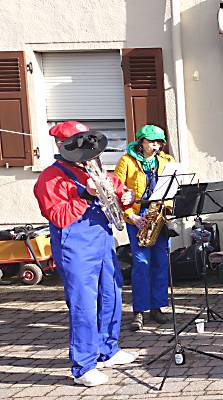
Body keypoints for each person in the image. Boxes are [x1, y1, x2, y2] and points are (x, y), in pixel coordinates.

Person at [34, 121, 137, 386]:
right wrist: (85, 194)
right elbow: (57, 215)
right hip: (75, 246)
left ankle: (107, 350)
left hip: (102, 241)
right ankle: (83, 365)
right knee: (84, 305)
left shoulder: (93, 167)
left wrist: (126, 196)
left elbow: (119, 188)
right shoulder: (50, 177)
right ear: (63, 146)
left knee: (111, 295)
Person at [114, 124, 175, 331]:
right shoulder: (126, 161)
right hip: (138, 216)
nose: (155, 146)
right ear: (141, 141)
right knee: (141, 264)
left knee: (160, 262)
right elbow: (117, 192)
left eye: (159, 142)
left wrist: (166, 210)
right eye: (151, 142)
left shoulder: (167, 161)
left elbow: (173, 188)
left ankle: (157, 307)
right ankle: (139, 310)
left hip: (159, 216)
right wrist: (130, 216)